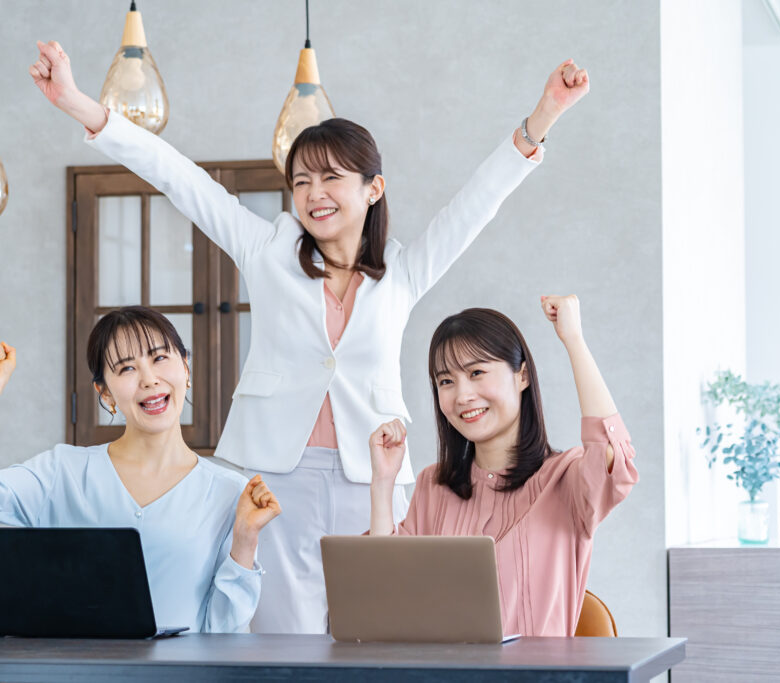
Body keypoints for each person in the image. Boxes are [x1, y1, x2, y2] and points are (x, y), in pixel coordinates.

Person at [29, 39, 589, 633]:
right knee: (278, 635)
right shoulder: (267, 250)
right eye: (300, 181)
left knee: (381, 626)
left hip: (371, 474)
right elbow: (179, 178)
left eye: (330, 178)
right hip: (272, 471)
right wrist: (81, 106)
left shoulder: (402, 271)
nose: (313, 194)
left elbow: (475, 206)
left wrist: (543, 116)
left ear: (373, 188)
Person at [0, 306, 280, 634]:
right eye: (127, 368)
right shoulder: (62, 472)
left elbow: (222, 630)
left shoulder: (230, 492)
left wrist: (245, 540)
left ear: (185, 369)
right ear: (106, 393)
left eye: (160, 358)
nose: (149, 379)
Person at [368, 295, 638, 636]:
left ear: (522, 375)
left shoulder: (566, 480)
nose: (463, 395)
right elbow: (383, 595)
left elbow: (611, 453)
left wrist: (574, 340)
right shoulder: (433, 485)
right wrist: (382, 483)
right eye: (446, 381)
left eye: (477, 372)